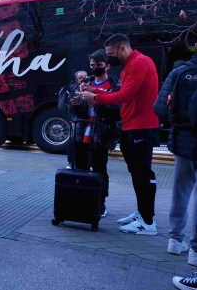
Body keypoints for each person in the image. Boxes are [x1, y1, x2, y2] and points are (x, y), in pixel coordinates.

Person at [80, 33, 160, 235]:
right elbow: (122, 95)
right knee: (136, 173)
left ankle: (148, 222)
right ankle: (142, 214)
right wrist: (94, 91)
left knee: (142, 173)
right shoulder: (131, 65)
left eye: (110, 53)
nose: (109, 58)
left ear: (122, 49)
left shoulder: (139, 63)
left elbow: (124, 96)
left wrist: (96, 96)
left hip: (140, 126)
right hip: (131, 125)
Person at [154, 47, 197, 259]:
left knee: (181, 190)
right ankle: (195, 252)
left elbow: (160, 109)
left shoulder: (180, 72)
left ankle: (175, 240)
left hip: (183, 140)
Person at [68, 50, 121, 218]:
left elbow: (117, 111)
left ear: (108, 65)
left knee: (99, 169)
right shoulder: (86, 82)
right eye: (92, 65)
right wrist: (75, 104)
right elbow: (75, 111)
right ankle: (81, 201)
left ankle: (100, 203)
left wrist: (95, 102)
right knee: (79, 168)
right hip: (82, 131)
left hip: (101, 134)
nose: (95, 68)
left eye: (98, 65)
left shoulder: (115, 85)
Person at [61, 70, 88, 169]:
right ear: (77, 79)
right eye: (81, 77)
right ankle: (71, 162)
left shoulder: (87, 86)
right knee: (74, 141)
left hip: (84, 118)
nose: (83, 79)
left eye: (85, 77)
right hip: (76, 118)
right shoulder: (73, 87)